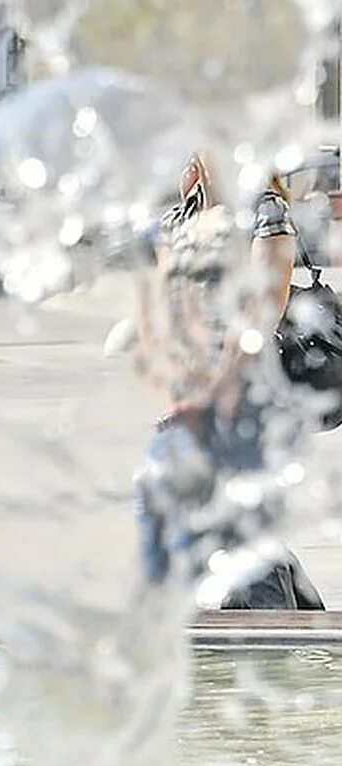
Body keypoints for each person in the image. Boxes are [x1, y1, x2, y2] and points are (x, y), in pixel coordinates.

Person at [133, 155, 320, 608]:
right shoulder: (181, 215)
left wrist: (215, 395)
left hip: (244, 399)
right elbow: (158, 306)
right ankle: (293, 628)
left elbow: (261, 311)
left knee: (241, 533)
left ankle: (280, 645)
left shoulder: (264, 209)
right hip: (187, 397)